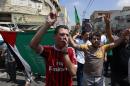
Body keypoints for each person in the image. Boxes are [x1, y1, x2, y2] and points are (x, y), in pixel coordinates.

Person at [30, 12, 77, 86]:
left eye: (67, 35)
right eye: (62, 34)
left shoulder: (71, 51)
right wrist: (47, 24)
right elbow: (33, 45)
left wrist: (65, 53)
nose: (65, 37)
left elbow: (73, 73)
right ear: (54, 37)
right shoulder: (49, 50)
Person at [104, 15, 130, 86]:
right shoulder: (117, 44)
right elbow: (109, 35)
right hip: (116, 77)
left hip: (127, 77)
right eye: (123, 35)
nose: (125, 36)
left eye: (127, 35)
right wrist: (107, 24)